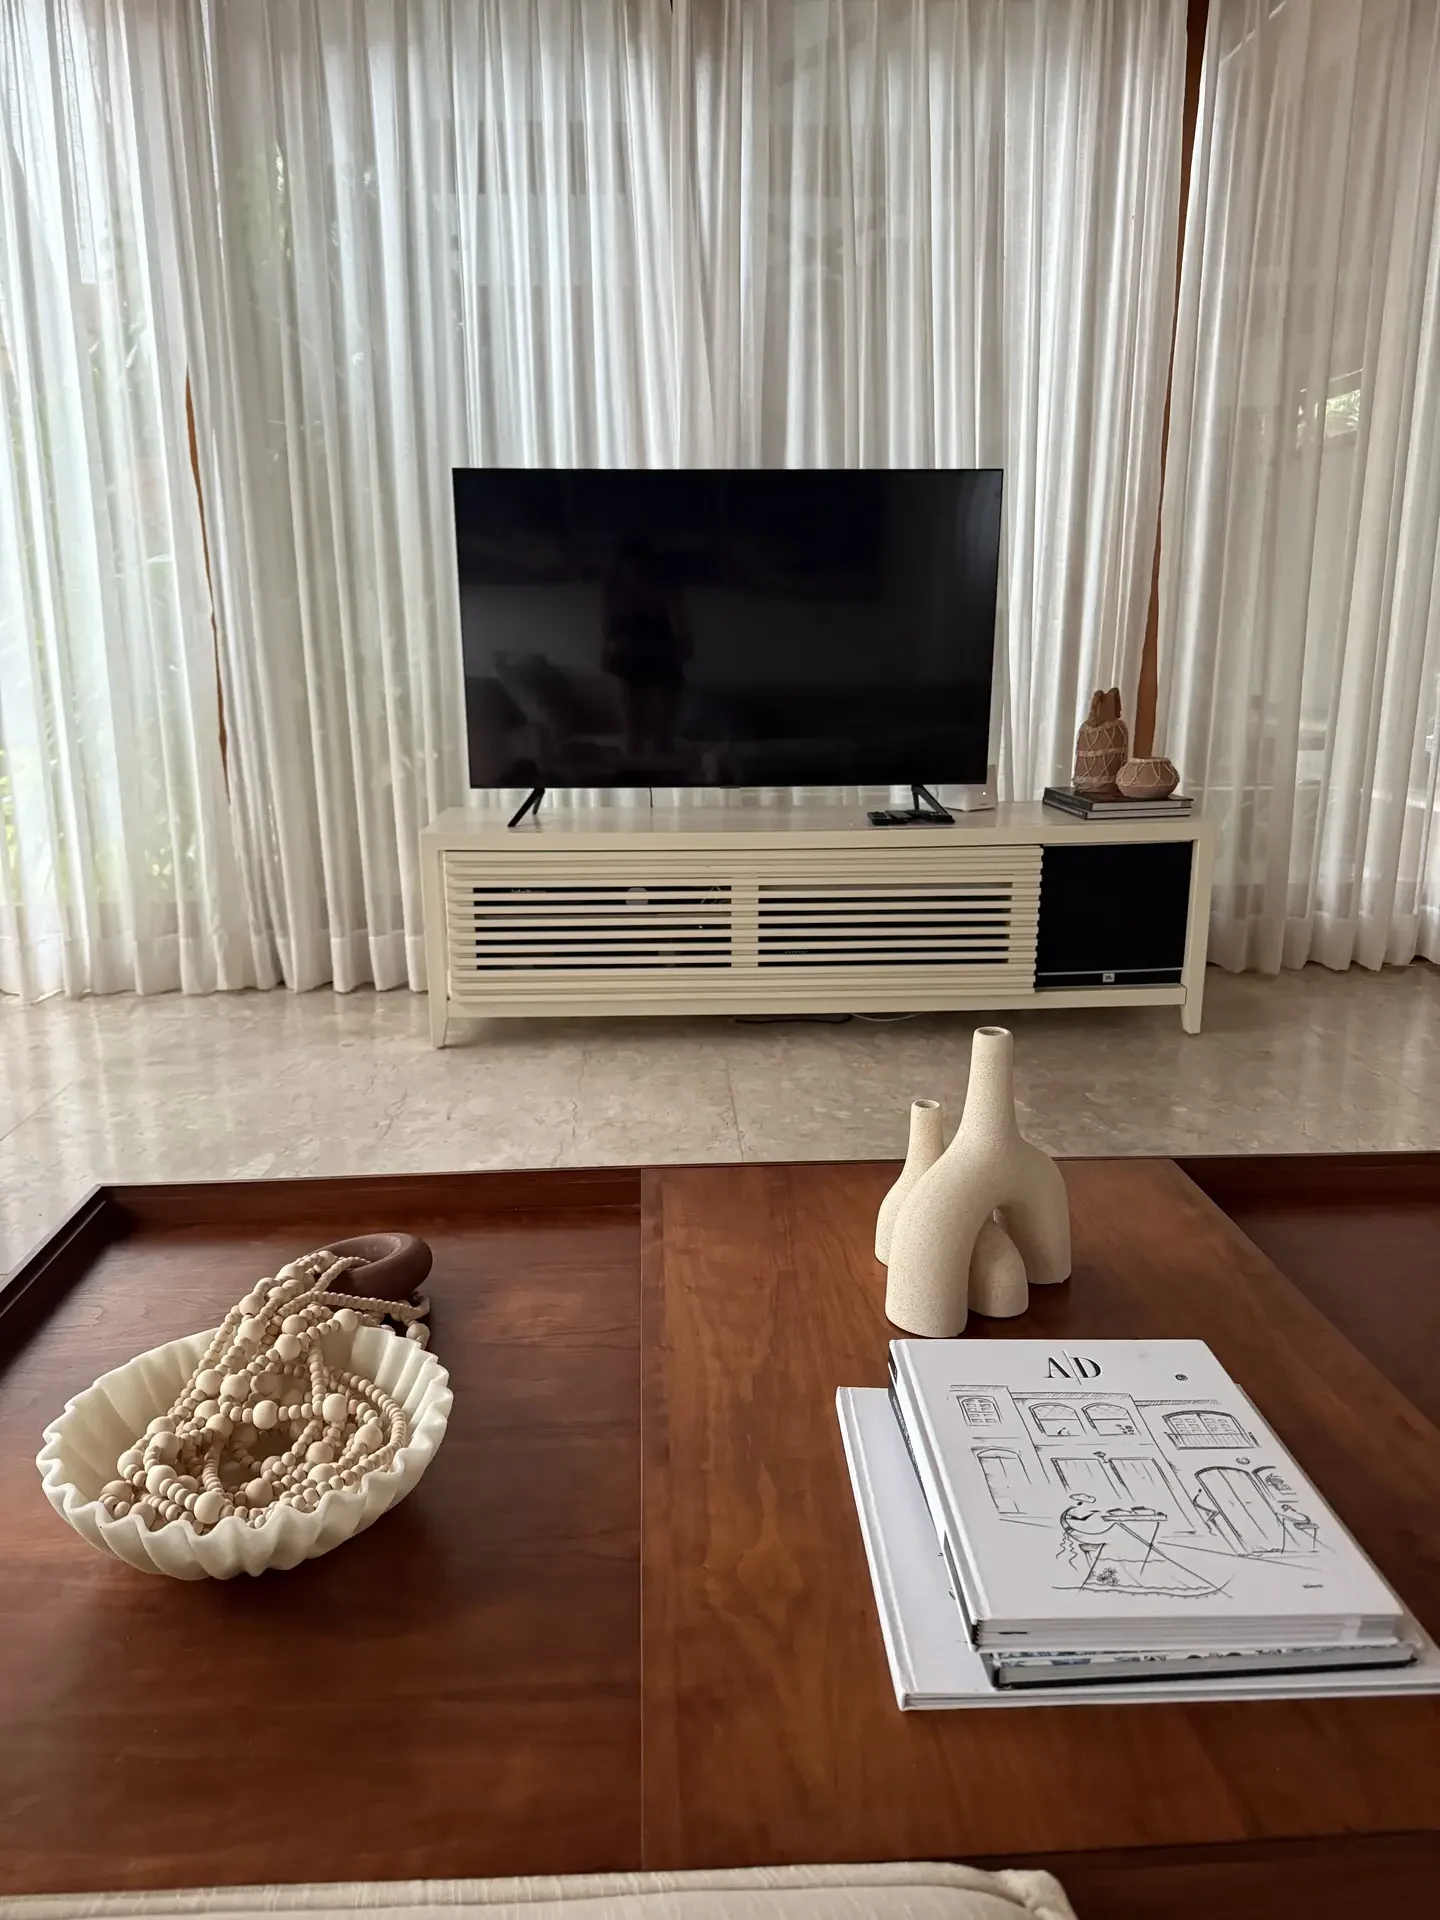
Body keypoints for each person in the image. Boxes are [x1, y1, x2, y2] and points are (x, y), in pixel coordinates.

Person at [601, 539, 690, 762]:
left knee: (656, 736)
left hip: (658, 660)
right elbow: (608, 633)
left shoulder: (661, 589)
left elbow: (680, 631)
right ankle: (642, 779)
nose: (632, 572)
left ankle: (653, 780)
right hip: (637, 661)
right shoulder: (614, 592)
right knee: (640, 735)